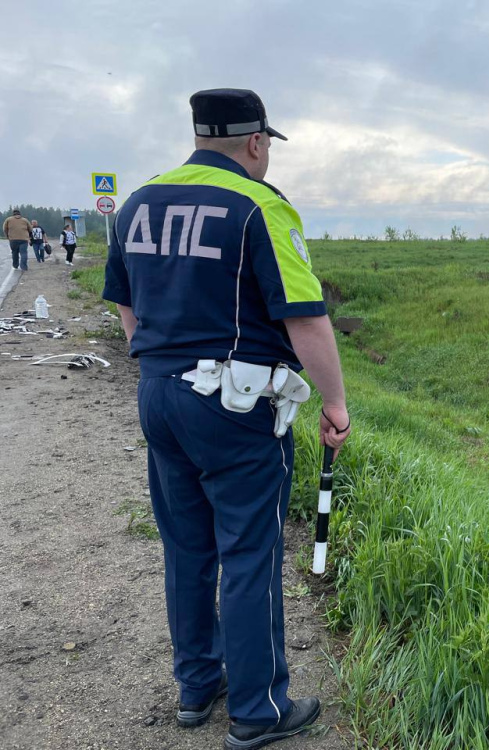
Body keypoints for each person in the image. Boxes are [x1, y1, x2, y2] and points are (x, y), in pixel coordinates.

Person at [102, 88, 350, 750]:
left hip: (158, 394)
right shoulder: (259, 207)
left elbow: (124, 307)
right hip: (235, 408)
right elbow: (305, 317)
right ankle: (259, 710)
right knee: (249, 551)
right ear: (256, 142)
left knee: (187, 546)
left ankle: (196, 686)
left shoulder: (138, 203)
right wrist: (334, 403)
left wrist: (158, 363)